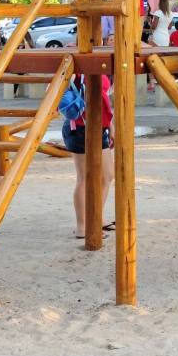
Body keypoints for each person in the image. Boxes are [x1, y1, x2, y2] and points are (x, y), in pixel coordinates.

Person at [62, 75, 116, 240]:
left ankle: (96, 217)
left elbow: (103, 98)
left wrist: (110, 126)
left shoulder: (102, 63)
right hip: (80, 127)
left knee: (107, 175)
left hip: (98, 125)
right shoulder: (79, 62)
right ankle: (83, 226)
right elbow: (61, 82)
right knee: (85, 177)